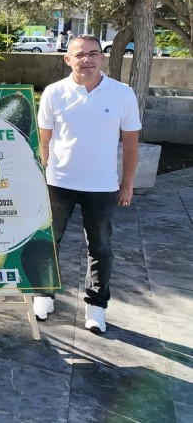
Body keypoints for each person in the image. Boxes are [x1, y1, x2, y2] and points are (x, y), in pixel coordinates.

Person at [34, 34, 141, 333]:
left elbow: (131, 145)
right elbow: (44, 141)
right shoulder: (54, 93)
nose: (87, 59)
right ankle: (44, 295)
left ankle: (96, 306)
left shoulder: (122, 94)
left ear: (102, 57)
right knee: (48, 242)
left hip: (102, 186)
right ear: (68, 59)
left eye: (93, 53)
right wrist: (38, 179)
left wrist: (127, 184)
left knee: (100, 247)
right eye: (80, 54)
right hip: (58, 182)